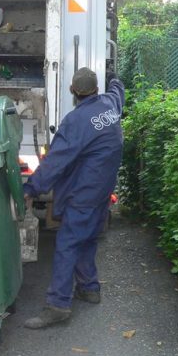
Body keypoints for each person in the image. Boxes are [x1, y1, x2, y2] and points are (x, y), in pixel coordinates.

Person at [22, 67, 125, 329]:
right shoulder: (110, 105)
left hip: (84, 193)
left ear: (72, 91)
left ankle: (58, 305)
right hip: (102, 190)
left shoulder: (76, 121)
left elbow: (56, 161)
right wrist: (114, 78)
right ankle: (89, 288)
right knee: (87, 238)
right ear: (97, 89)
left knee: (67, 244)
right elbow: (118, 92)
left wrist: (31, 189)